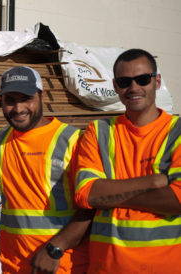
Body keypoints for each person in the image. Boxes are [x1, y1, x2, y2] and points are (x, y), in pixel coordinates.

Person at [0, 66, 93, 273]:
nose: (19, 108)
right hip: (14, 267)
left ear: (42, 96)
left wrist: (55, 249)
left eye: (26, 98)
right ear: (0, 102)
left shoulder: (74, 142)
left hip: (63, 266)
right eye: (10, 100)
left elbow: (93, 209)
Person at [73, 48, 181, 273]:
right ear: (115, 86)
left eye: (142, 79)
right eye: (124, 82)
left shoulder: (177, 133)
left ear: (157, 81)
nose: (133, 88)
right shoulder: (99, 132)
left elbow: (177, 201)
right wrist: (152, 182)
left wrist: (107, 196)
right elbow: (86, 195)